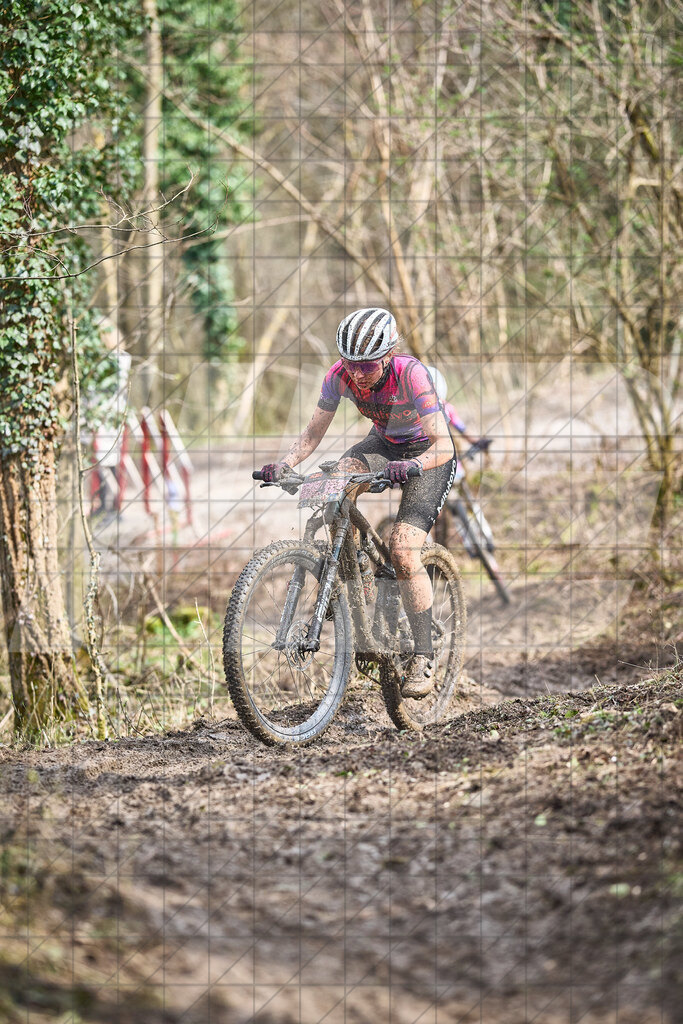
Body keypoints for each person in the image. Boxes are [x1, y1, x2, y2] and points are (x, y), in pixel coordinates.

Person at [259, 307, 457, 699]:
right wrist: (286, 464)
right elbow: (313, 432)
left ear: (388, 355)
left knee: (403, 549)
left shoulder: (411, 374)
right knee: (335, 483)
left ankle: (423, 655)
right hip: (384, 444)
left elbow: (444, 444)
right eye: (351, 364)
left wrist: (414, 465)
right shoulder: (338, 376)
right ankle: (357, 579)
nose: (358, 374)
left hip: (427, 455)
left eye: (367, 366)